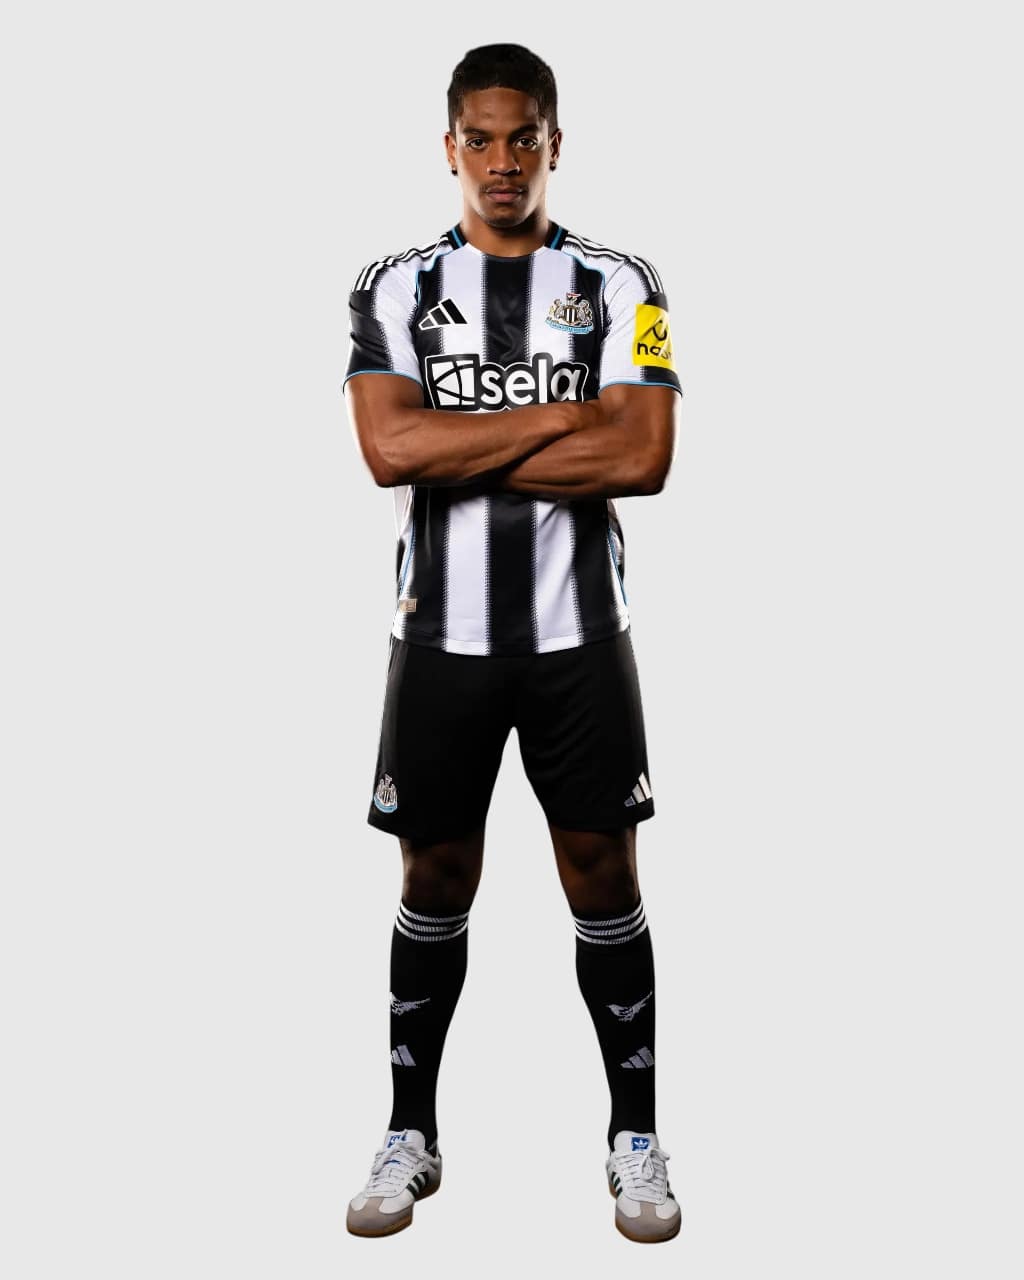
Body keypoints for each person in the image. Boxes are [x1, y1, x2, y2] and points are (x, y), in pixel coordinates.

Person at [342, 43, 683, 1244]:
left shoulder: (621, 281)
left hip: (579, 637)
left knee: (604, 874)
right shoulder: (393, 286)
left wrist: (465, 435)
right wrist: (566, 412)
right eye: (480, 140)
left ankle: (634, 1136)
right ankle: (410, 1129)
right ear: (449, 148)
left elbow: (643, 455)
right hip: (440, 637)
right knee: (432, 877)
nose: (501, 161)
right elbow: (388, 449)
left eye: (522, 137)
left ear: (554, 143)